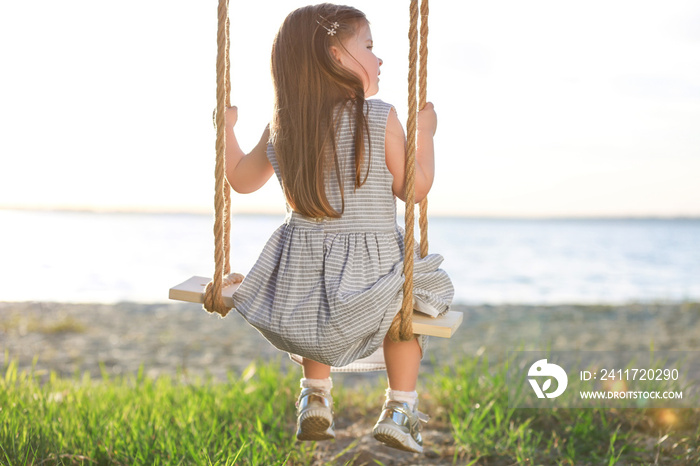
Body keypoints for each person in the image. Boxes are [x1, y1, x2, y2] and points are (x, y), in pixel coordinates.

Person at [223, 3, 453, 454]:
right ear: (335, 55)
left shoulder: (284, 125)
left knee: (316, 301)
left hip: (300, 265)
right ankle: (401, 409)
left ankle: (315, 396)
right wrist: (425, 133)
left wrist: (226, 129)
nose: (379, 58)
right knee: (408, 308)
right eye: (368, 46)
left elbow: (241, 180)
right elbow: (416, 189)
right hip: (371, 267)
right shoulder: (380, 116)